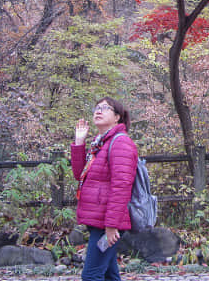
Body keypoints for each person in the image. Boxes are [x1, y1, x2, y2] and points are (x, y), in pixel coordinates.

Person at [71, 96, 138, 281]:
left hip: (106, 222)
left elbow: (122, 187)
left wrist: (111, 225)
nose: (98, 111)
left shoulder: (120, 143)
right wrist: (79, 143)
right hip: (98, 219)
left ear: (117, 117)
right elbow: (81, 176)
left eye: (105, 108)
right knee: (109, 274)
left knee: (91, 276)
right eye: (97, 107)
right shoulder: (99, 143)